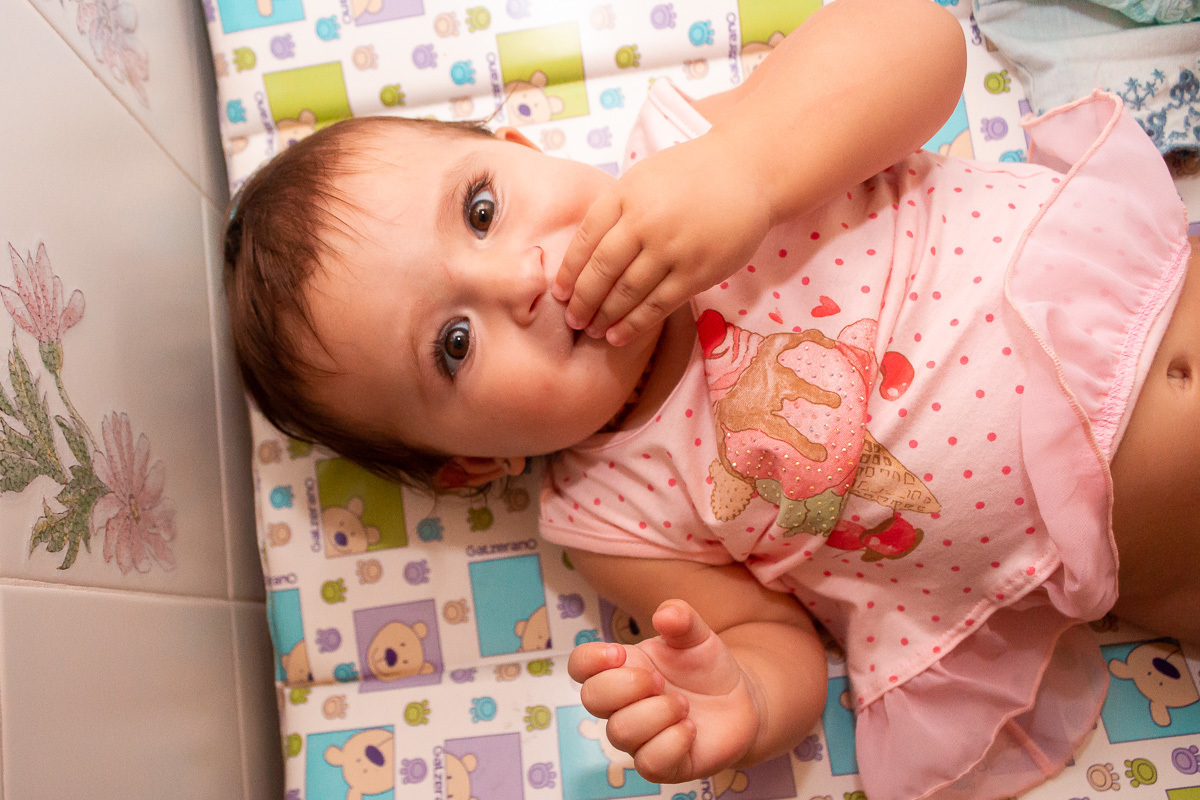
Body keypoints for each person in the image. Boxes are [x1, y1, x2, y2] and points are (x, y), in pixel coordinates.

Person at [221, 0, 1198, 797]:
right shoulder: (606, 515)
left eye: (482, 209)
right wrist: (736, 700)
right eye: (454, 343)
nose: (515, 278)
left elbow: (919, 41)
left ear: (522, 142)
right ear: (474, 463)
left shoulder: (694, 151)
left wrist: (752, 172)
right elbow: (769, 642)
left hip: (1157, 305)